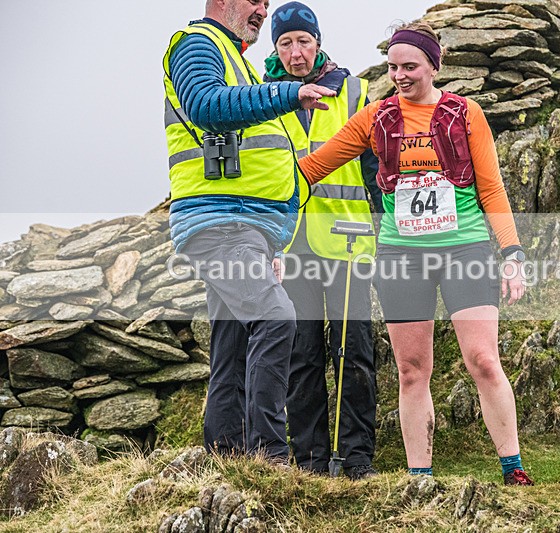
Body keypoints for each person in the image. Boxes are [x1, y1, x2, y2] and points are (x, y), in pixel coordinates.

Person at [298, 21, 535, 485]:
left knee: (483, 360)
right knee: (411, 370)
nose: (401, 75)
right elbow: (313, 167)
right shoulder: (376, 118)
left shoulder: (465, 113)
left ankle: (513, 467)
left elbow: (492, 189)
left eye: (410, 66)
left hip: (464, 248)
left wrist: (512, 252)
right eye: (393, 67)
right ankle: (419, 476)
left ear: (433, 65)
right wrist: (253, 203)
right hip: (401, 256)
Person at [162, 0, 335, 461]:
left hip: (245, 227)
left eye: (266, 2)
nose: (262, 9)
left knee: (233, 347)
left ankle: (228, 458)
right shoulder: (198, 44)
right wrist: (286, 93)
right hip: (221, 223)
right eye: (254, 0)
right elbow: (204, 105)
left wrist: (271, 234)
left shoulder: (235, 56)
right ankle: (270, 457)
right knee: (275, 316)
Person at [264, 2, 382, 480]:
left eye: (303, 41)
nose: (296, 53)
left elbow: (377, 171)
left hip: (349, 242)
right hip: (292, 248)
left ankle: (356, 459)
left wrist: (383, 230)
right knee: (302, 355)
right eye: (285, 43)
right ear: (276, 49)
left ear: (319, 42)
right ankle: (310, 460)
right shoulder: (262, 97)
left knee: (354, 351)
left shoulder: (354, 92)